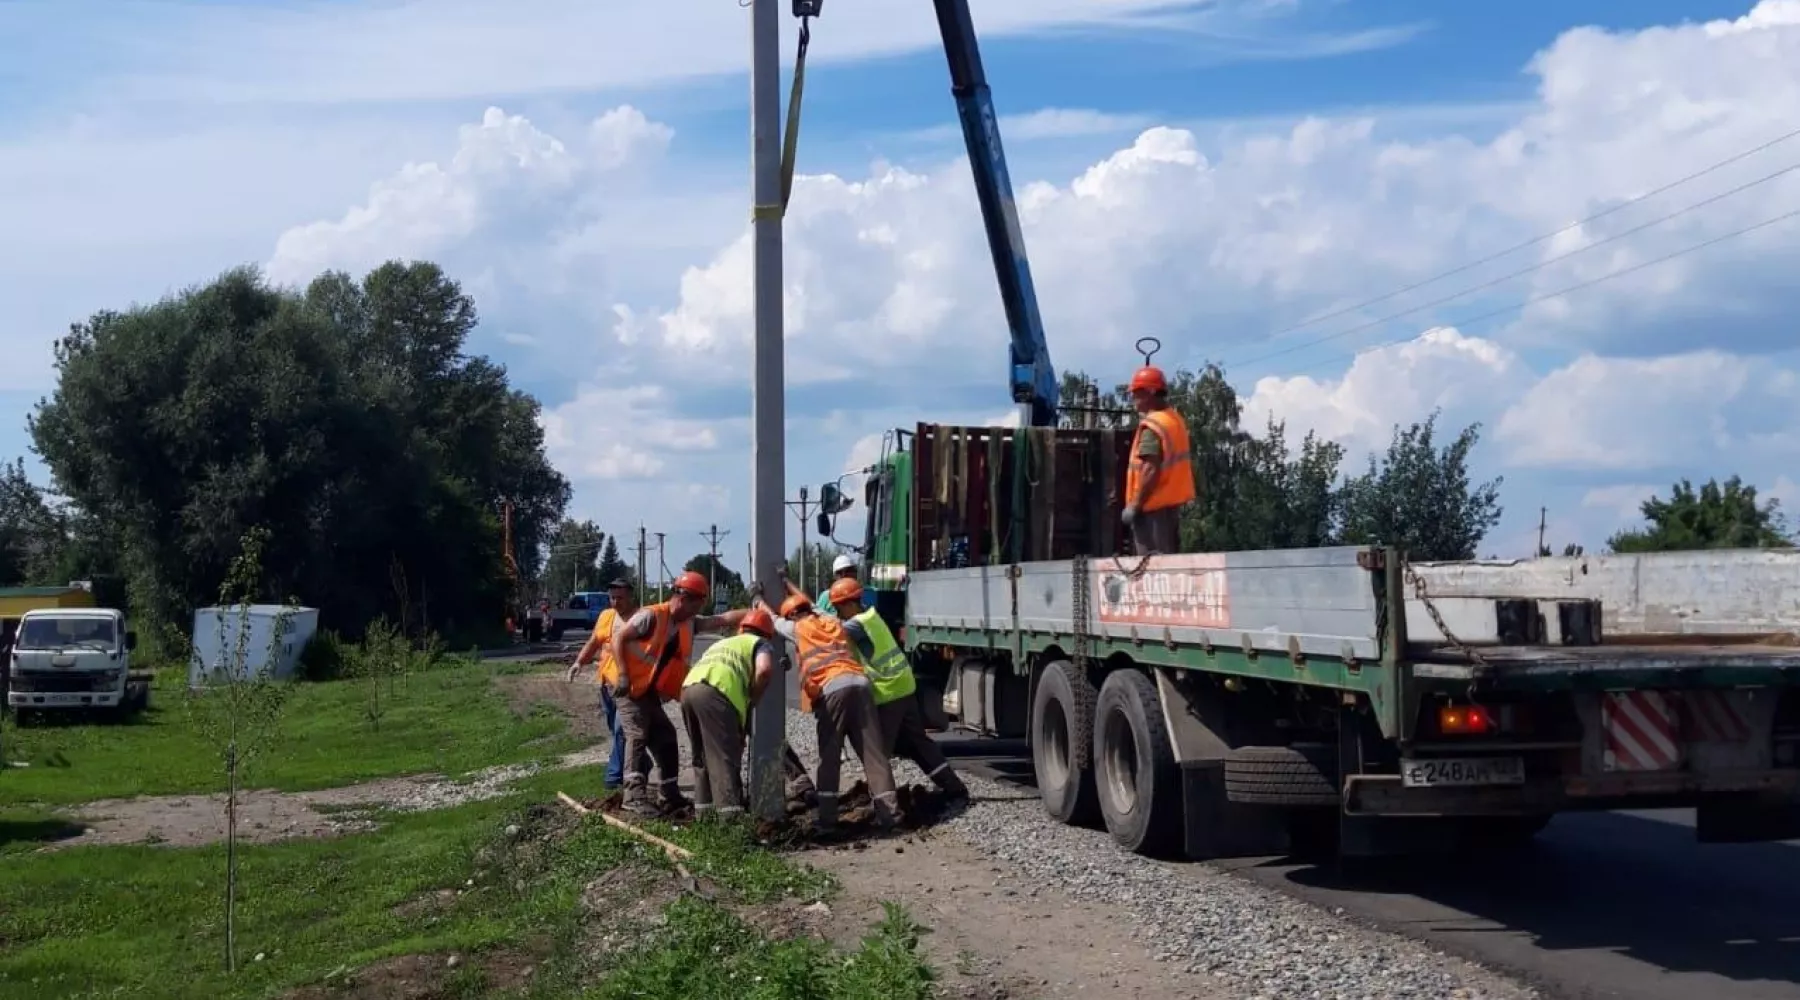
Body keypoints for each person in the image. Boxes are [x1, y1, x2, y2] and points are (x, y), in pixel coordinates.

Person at [755, 570, 898, 831]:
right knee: (873, 753)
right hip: (860, 683)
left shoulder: (797, 627)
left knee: (829, 756)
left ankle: (828, 819)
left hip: (833, 690)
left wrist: (757, 599)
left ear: (792, 615)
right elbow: (808, 601)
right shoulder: (831, 620)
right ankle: (891, 814)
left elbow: (772, 619)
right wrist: (788, 582)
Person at [608, 571, 749, 817]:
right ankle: (633, 795)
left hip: (647, 690)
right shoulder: (651, 616)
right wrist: (622, 674)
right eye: (698, 603)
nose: (698, 610)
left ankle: (669, 793)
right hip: (627, 686)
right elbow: (619, 638)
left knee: (666, 737)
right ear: (683, 598)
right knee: (637, 734)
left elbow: (722, 619)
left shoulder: (687, 622)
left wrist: (757, 613)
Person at [825, 577, 969, 804]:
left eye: (837, 608)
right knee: (918, 742)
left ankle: (884, 804)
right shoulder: (872, 617)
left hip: (889, 692)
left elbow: (829, 631)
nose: (837, 613)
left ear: (848, 604)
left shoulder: (856, 624)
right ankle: (954, 788)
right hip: (904, 686)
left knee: (877, 752)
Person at [679, 609, 780, 815]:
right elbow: (764, 670)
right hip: (716, 694)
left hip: (688, 690)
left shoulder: (722, 643)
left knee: (702, 757)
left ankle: (704, 815)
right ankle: (730, 818)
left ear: (741, 628)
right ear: (767, 633)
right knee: (723, 756)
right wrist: (754, 694)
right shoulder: (759, 643)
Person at [566, 578, 637, 792]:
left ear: (631, 597)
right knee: (616, 731)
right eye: (613, 598)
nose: (616, 602)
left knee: (621, 730)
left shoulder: (640, 619)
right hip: (606, 685)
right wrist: (579, 662)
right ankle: (643, 764)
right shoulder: (606, 616)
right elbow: (593, 642)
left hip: (629, 688)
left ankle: (613, 777)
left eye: (621, 598)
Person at [1121, 362, 1195, 555]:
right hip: (1170, 507)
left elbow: (1149, 470)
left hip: (1152, 511)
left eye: (1137, 394)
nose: (1134, 400)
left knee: (1152, 571)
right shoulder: (1174, 420)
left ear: (1151, 392)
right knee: (1169, 567)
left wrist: (1135, 506)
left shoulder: (1153, 427)